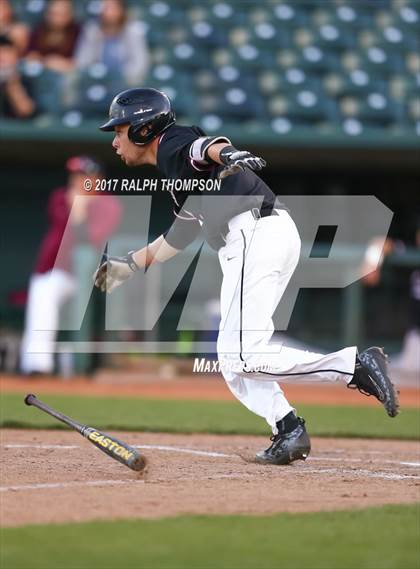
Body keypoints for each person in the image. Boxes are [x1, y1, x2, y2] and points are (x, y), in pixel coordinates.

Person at [94, 88, 399, 465]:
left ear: (143, 130)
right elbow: (181, 234)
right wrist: (132, 264)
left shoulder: (173, 143)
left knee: (242, 354)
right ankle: (288, 429)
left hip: (253, 234)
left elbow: (205, 146)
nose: (114, 141)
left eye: (119, 130)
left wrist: (227, 153)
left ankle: (353, 366)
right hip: (261, 236)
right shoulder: (177, 172)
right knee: (233, 359)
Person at [21, 156, 122, 375]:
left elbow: (90, 238)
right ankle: (37, 367)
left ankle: (81, 367)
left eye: (83, 176)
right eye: (75, 176)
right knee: (44, 294)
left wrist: (80, 209)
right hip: (54, 270)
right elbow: (62, 227)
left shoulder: (108, 203)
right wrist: (76, 204)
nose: (77, 181)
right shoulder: (60, 197)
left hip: (92, 275)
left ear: (98, 178)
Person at [75, 0, 149, 86]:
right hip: (97, 80)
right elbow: (83, 60)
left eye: (112, 8)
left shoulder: (133, 30)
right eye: (105, 7)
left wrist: (123, 78)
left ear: (121, 10)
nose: (108, 11)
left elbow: (140, 62)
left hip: (127, 81)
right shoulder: (92, 29)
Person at [25, 0, 80, 73]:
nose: (56, 18)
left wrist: (63, 64)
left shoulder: (78, 32)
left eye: (61, 14)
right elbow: (31, 55)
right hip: (42, 70)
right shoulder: (39, 30)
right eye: (53, 14)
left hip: (67, 73)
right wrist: (46, 61)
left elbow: (80, 61)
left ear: (69, 15)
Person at [0, 34, 35, 118]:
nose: (1, 57)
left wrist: (13, 83)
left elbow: (26, 111)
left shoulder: (30, 77)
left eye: (6, 52)